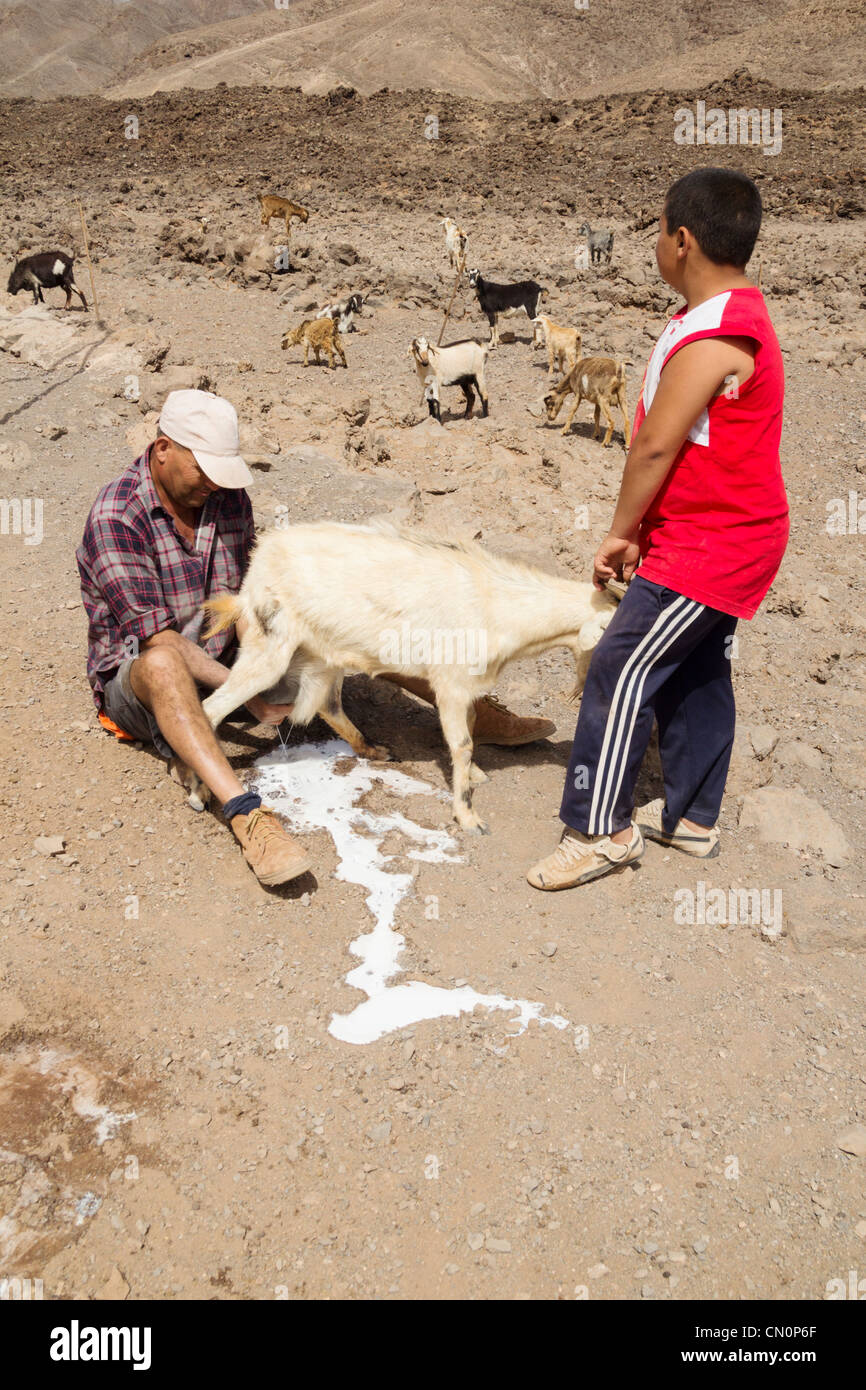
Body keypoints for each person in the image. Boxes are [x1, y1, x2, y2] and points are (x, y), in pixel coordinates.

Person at [77, 389, 555, 887]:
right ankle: (245, 813)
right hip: (144, 688)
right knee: (161, 666)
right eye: (204, 470)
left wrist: (265, 656)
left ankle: (469, 713)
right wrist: (254, 690)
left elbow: (250, 593)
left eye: (222, 472)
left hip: (229, 660)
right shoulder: (117, 517)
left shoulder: (224, 498)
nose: (214, 484)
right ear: (162, 449)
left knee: (353, 614)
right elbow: (162, 643)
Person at [527, 167, 788, 890]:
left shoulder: (717, 335)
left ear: (681, 239)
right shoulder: (723, 315)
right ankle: (692, 817)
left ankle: (598, 829)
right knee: (696, 668)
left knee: (622, 663)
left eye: (656, 231)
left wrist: (620, 530)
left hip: (714, 544)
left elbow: (653, 446)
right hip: (721, 533)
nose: (652, 245)